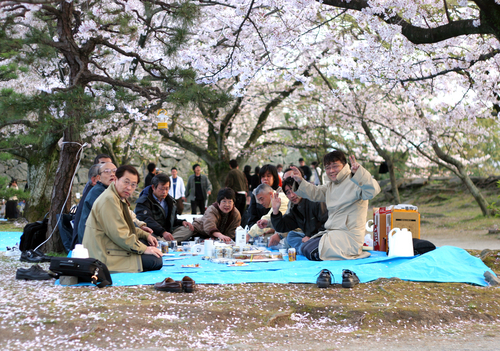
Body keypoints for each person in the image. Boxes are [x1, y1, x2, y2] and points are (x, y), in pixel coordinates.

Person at [291, 151, 381, 261]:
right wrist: (301, 181)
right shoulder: (331, 185)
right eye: (328, 167)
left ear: (344, 165)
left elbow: (373, 190)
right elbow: (315, 192)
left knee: (310, 250)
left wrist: (360, 174)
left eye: (335, 166)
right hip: (332, 234)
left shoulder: (355, 181)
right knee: (304, 247)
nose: (331, 171)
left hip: (348, 237)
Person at [83, 165, 162, 273]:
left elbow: (125, 226)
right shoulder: (109, 199)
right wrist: (145, 249)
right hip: (102, 256)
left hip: (110, 245)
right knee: (156, 260)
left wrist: (145, 234)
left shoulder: (116, 197)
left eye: (133, 185)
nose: (129, 187)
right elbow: (120, 234)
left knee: (147, 242)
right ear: (115, 179)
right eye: (126, 182)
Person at [269, 177, 328, 254]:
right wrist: (275, 210)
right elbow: (282, 226)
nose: (292, 195)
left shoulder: (315, 201)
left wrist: (312, 238)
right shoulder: (296, 209)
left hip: (324, 238)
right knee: (291, 236)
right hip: (309, 239)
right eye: (288, 193)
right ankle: (306, 250)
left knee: (304, 244)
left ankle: (307, 250)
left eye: (294, 190)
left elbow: (327, 225)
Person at [135, 173, 193, 241]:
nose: (164, 192)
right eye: (162, 189)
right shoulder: (144, 201)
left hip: (167, 232)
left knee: (188, 229)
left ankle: (166, 242)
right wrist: (163, 232)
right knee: (144, 233)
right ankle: (168, 242)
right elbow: (147, 220)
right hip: (153, 232)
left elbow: (172, 221)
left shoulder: (170, 201)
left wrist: (182, 222)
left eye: (167, 189)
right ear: (153, 187)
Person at [172, 187, 241, 243]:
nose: (227, 205)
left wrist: (221, 240)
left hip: (216, 238)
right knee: (188, 231)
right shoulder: (212, 209)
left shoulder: (236, 214)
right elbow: (209, 226)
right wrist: (219, 237)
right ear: (218, 202)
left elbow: (232, 232)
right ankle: (166, 242)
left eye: (230, 202)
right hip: (199, 231)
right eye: (224, 201)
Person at [76, 162, 117, 245]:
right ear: (98, 178)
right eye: (107, 171)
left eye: (115, 171)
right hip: (93, 243)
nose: (112, 174)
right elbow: (114, 221)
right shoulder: (98, 193)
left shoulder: (109, 191)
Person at [70, 164, 101, 249]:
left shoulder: (93, 191)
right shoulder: (94, 194)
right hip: (85, 245)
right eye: (106, 173)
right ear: (94, 180)